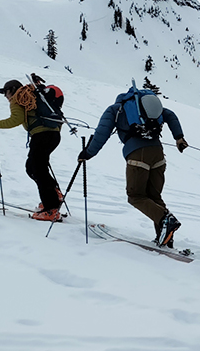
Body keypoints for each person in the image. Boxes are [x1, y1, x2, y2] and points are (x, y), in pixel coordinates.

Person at [78, 86, 188, 247]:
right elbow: (170, 115)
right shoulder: (150, 107)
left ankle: (166, 221)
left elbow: (102, 133)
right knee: (154, 197)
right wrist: (179, 137)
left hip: (137, 156)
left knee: (135, 196)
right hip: (158, 154)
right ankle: (165, 237)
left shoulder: (116, 110)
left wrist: (87, 153)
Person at [0, 79, 63, 221]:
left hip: (41, 136)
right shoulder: (33, 96)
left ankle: (51, 209)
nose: (6, 96)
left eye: (5, 92)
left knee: (37, 169)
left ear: (11, 89)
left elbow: (16, 119)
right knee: (33, 167)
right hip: (53, 135)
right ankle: (54, 195)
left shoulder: (19, 98)